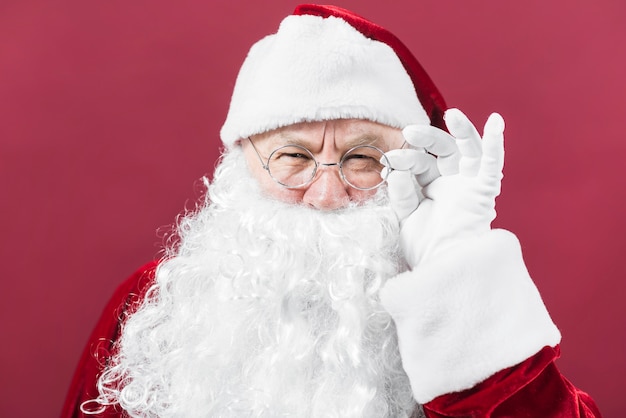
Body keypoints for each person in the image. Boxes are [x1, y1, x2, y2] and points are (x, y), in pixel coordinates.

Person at [61, 4, 602, 417]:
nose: (325, 194)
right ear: (240, 163)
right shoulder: (152, 300)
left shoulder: (451, 289)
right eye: (293, 157)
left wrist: (455, 270)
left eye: (362, 159)